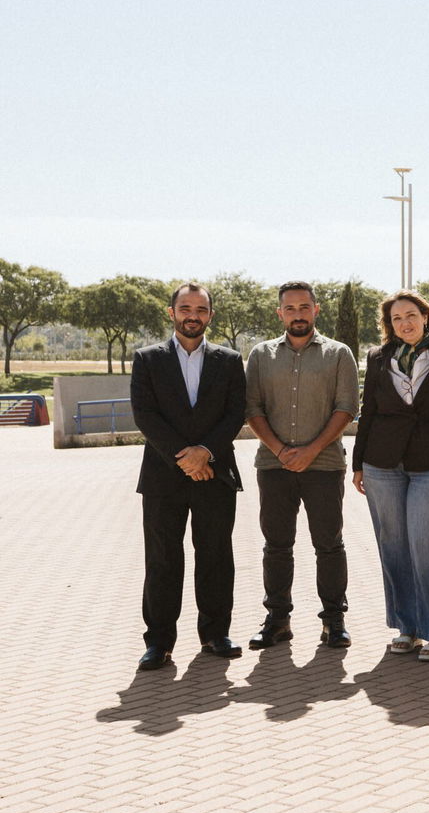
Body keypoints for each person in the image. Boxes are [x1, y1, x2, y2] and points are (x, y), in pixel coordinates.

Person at [129, 283, 248, 670]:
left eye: (200, 309)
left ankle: (215, 634)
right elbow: (145, 415)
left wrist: (205, 453)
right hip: (163, 476)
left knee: (216, 555)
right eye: (185, 308)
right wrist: (185, 457)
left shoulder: (229, 360)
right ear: (172, 313)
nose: (192, 315)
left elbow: (235, 413)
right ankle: (159, 642)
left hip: (215, 473)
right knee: (162, 559)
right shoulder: (147, 359)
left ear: (210, 315)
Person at [243, 282, 359, 650]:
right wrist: (280, 450)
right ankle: (278, 620)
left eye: (304, 307)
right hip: (273, 466)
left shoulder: (338, 354)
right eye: (290, 308)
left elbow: (347, 407)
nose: (297, 314)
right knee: (276, 546)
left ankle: (334, 620)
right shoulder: (260, 355)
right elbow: (252, 408)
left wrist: (311, 450)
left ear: (316, 310)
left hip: (324, 466)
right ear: (280, 313)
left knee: (329, 545)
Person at [352, 291, 429, 661]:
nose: (405, 323)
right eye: (397, 318)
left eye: (411, 315)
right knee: (394, 547)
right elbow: (368, 411)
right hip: (382, 463)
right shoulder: (378, 356)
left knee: (427, 545)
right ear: (390, 324)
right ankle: (407, 627)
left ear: (425, 316)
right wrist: (358, 463)